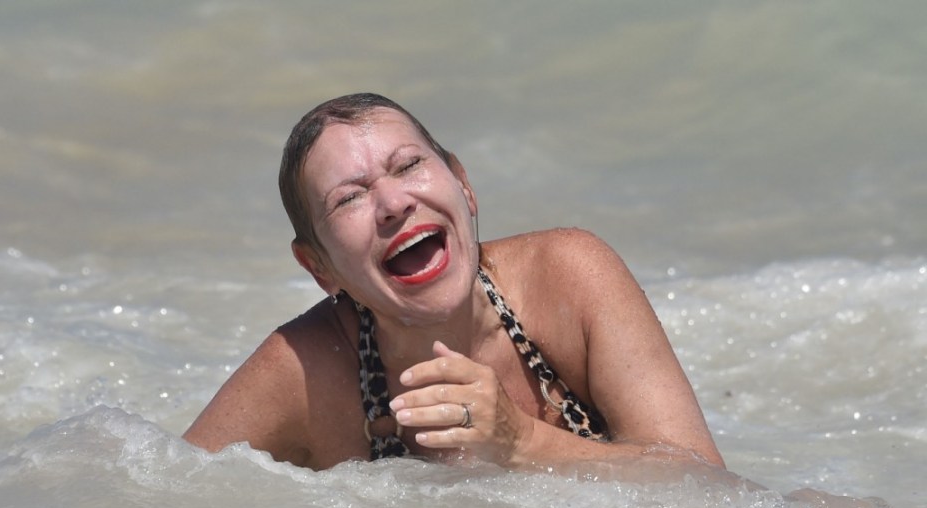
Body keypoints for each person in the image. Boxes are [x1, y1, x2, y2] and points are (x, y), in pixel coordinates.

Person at [183, 93, 725, 471]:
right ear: (318, 268)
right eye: (348, 198)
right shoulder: (303, 373)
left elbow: (704, 486)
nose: (393, 203)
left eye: (408, 165)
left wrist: (521, 442)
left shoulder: (569, 278)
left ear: (463, 185)